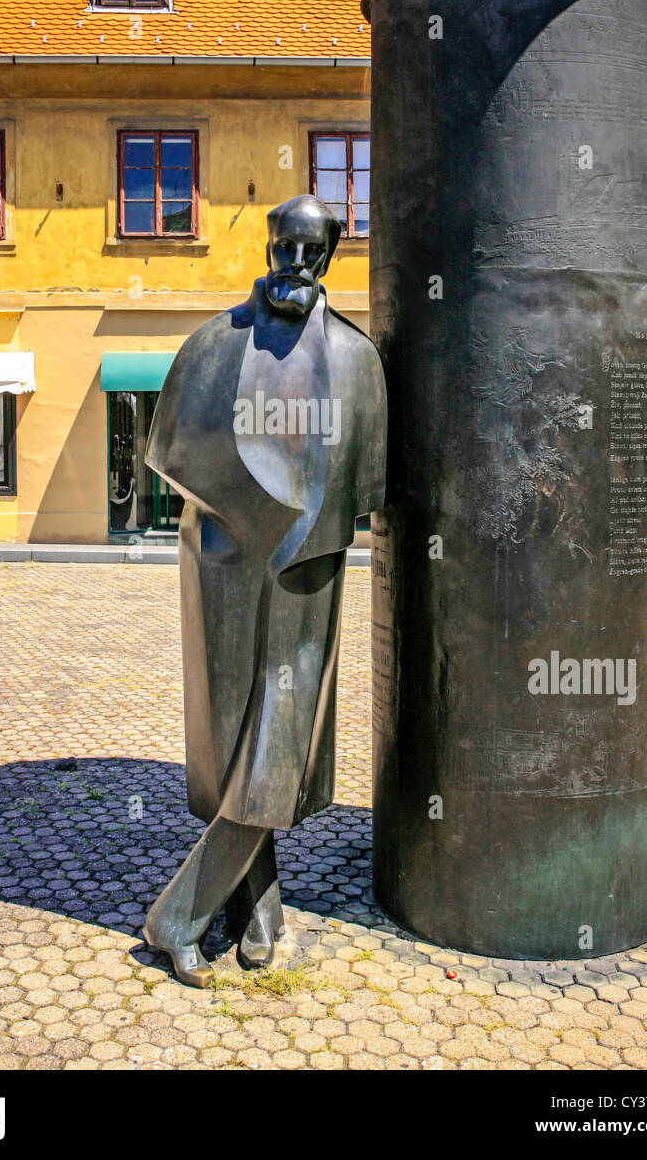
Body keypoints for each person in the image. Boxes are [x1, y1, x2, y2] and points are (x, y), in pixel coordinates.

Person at [142, 194, 387, 987]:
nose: (292, 265)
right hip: (219, 560)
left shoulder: (357, 361)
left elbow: (371, 478)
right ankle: (260, 906)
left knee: (278, 748)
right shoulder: (214, 344)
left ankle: (177, 915)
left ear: (329, 257)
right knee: (233, 738)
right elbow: (173, 446)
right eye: (283, 246)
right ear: (269, 244)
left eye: (309, 252)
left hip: (308, 568)